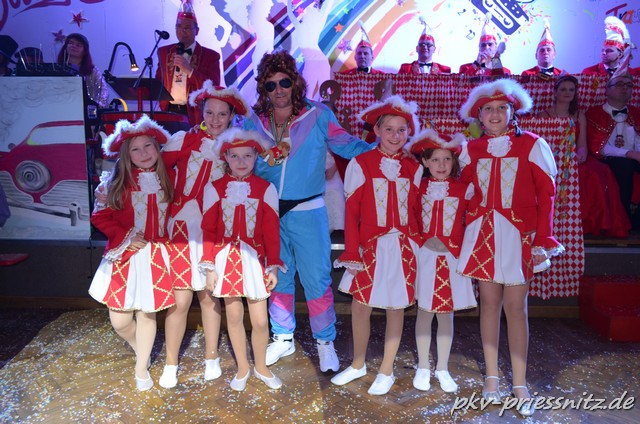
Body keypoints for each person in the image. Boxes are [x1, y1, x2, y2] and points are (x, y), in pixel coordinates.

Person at [243, 50, 373, 373]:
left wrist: (381, 150)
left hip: (308, 210)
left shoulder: (318, 115)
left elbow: (347, 144)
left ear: (295, 82)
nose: (279, 90)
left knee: (317, 279)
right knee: (278, 277)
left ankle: (325, 342)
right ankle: (283, 337)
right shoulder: (253, 122)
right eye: (271, 85)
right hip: (270, 213)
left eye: (284, 82)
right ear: (263, 88)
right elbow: (237, 156)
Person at [457, 79, 563, 417]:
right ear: (478, 115)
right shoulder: (471, 149)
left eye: (501, 107)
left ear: (513, 111)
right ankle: (491, 378)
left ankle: (519, 383)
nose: (494, 114)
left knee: (516, 308)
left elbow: (547, 196)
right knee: (488, 305)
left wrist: (543, 239)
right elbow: (465, 191)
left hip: (519, 235)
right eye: (487, 109)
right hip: (484, 234)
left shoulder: (532, 144)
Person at [158, 82, 249, 388]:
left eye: (222, 114)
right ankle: (171, 363)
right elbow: (153, 167)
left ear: (231, 115)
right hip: (182, 227)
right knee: (179, 300)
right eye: (210, 112)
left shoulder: (236, 147)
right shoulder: (183, 140)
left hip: (214, 232)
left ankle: (211, 357)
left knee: (209, 298)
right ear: (201, 112)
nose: (215, 119)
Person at [331, 96, 422, 395]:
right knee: (361, 306)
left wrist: (420, 245)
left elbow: (418, 211)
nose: (395, 136)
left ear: (409, 132)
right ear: (378, 131)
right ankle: (358, 364)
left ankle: (386, 370)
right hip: (370, 246)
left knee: (396, 307)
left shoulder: (414, 167)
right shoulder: (361, 163)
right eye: (389, 129)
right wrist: (352, 251)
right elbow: (352, 212)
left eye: (401, 130)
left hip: (403, 246)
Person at [88, 115, 176, 391]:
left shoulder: (170, 178)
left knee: (147, 313)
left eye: (148, 146)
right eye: (135, 149)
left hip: (157, 255)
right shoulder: (115, 182)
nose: (143, 153)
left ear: (157, 148)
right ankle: (143, 352)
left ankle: (141, 369)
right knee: (120, 321)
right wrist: (125, 236)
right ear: (127, 154)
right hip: (124, 256)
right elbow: (99, 217)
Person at [200, 128, 285, 391]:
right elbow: (209, 230)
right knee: (234, 315)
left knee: (260, 320)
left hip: (255, 260)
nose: (241, 161)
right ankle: (243, 368)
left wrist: (273, 265)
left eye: (247, 155)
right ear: (225, 157)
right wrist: (209, 266)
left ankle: (261, 366)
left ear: (256, 157)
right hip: (225, 259)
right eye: (235, 156)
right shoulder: (214, 188)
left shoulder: (266, 188)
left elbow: (271, 231)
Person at [405, 129, 477, 393]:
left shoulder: (464, 188)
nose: (442, 165)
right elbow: (411, 214)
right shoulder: (418, 186)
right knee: (425, 312)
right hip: (425, 256)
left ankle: (443, 368)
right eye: (435, 159)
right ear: (425, 162)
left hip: (452, 258)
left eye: (447, 159)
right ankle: (423, 366)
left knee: (446, 315)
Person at [538, 75, 630, 237]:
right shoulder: (544, 115)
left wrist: (580, 155)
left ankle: (594, 223)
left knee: (598, 172)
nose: (567, 92)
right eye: (563, 89)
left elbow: (582, 144)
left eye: (571, 90)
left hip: (574, 158)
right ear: (555, 92)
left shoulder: (579, 115)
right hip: (553, 158)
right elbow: (542, 145)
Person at [586, 61, 640, 229]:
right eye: (620, 84)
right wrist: (629, 154)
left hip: (634, 157)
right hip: (606, 158)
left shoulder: (636, 113)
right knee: (623, 167)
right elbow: (598, 147)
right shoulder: (595, 113)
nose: (625, 88)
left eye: (629, 85)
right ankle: (623, 220)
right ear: (607, 90)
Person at [156, 0, 221, 126]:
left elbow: (214, 87)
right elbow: (159, 82)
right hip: (168, 111)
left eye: (187, 28)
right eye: (179, 27)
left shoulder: (210, 56)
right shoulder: (164, 52)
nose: (182, 31)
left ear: (197, 31)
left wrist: (190, 71)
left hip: (195, 114)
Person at [56, 33, 109, 108]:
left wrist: (97, 106)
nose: (74, 46)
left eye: (78, 45)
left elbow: (103, 92)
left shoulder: (93, 71)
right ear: (65, 47)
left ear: (84, 51)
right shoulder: (57, 69)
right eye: (71, 43)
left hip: (87, 109)